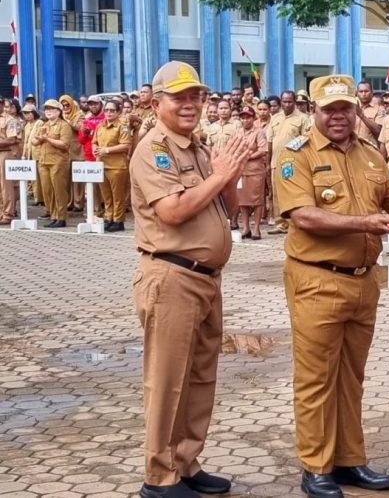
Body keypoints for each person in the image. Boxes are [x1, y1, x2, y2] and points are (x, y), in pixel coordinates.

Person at [275, 74, 389, 498]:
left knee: (352, 376)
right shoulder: (296, 155)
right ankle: (316, 466)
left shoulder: (370, 155)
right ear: (314, 110)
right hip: (317, 279)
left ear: (355, 110)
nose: (338, 116)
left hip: (362, 283)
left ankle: (350, 460)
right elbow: (304, 216)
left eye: (345, 108)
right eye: (329, 109)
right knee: (316, 379)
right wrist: (365, 223)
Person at [130, 61, 250, 498]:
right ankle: (158, 477)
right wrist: (219, 175)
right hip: (171, 277)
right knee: (167, 380)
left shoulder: (197, 148)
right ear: (156, 101)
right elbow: (173, 211)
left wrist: (229, 176)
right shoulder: (153, 150)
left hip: (205, 278)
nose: (190, 104)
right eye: (178, 96)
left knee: (199, 377)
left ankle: (185, 462)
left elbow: (226, 209)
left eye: (196, 95)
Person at [268, 90, 312, 235]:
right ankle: (280, 223)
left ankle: (293, 222)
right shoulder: (275, 118)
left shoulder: (303, 118)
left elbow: (306, 139)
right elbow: (270, 141)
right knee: (276, 194)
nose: (287, 104)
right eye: (284, 101)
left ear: (294, 102)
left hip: (292, 162)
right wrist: (268, 162)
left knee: (292, 192)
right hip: (275, 161)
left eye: (289, 101)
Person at [33, 99, 74, 227]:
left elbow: (64, 144)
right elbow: (34, 142)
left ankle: (61, 217)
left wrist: (47, 139)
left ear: (58, 111)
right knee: (47, 190)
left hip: (58, 162)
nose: (48, 112)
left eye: (51, 109)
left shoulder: (64, 125)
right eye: (46, 109)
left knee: (59, 190)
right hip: (44, 161)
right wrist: (40, 139)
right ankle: (53, 215)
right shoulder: (43, 125)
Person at [93, 99, 132, 232]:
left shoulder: (122, 126)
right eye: (107, 110)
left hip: (117, 165)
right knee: (106, 195)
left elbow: (126, 145)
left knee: (117, 195)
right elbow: (95, 141)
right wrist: (95, 149)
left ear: (118, 112)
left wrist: (107, 150)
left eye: (112, 110)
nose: (109, 113)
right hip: (102, 164)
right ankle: (108, 217)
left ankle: (118, 220)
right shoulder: (100, 125)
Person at [236, 106, 268, 239]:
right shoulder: (237, 132)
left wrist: (248, 156)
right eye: (242, 118)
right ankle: (246, 227)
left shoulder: (259, 132)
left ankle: (256, 228)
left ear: (253, 118)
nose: (245, 120)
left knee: (257, 200)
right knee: (242, 200)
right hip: (240, 171)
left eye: (248, 117)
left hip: (255, 171)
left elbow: (263, 150)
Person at [60, 94, 86, 212]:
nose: (65, 108)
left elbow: (80, 127)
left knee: (78, 178)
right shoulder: (60, 115)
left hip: (77, 149)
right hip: (65, 151)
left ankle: (78, 203)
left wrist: (66, 121)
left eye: (67, 105)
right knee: (67, 178)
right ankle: (69, 202)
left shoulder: (79, 114)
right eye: (63, 106)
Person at [0, 99, 23, 223]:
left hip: (6, 154)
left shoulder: (11, 120)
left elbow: (11, 140)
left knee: (6, 186)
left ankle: (8, 213)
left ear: (2, 105)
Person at [22, 104, 42, 206]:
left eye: (28, 113)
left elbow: (39, 138)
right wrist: (23, 155)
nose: (26, 115)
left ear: (33, 113)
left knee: (39, 177)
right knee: (33, 177)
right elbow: (25, 141)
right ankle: (37, 198)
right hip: (29, 153)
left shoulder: (39, 123)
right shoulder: (26, 126)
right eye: (24, 113)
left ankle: (40, 198)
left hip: (38, 153)